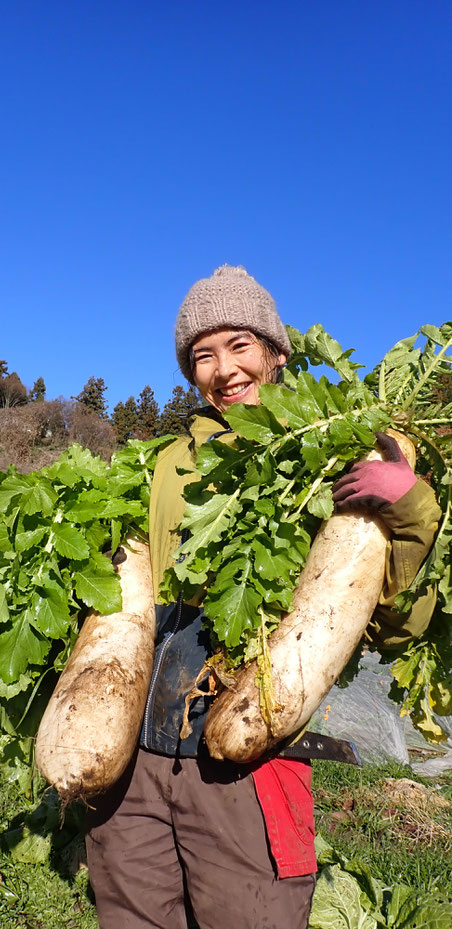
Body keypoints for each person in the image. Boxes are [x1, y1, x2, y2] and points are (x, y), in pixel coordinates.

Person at [85, 265, 441, 929]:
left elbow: (396, 625)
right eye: (203, 354)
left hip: (250, 756)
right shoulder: (159, 460)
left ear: (278, 352)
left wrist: (410, 506)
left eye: (239, 345)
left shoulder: (332, 457)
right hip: (131, 752)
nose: (223, 368)